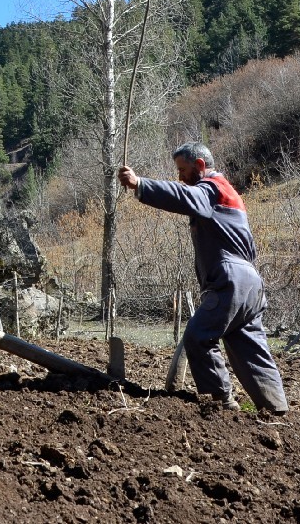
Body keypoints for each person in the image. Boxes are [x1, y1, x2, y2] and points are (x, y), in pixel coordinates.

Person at [118, 143, 288, 413]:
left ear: (199, 165)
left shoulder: (211, 189)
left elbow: (183, 196)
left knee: (198, 336)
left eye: (183, 170)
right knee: (251, 349)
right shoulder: (228, 192)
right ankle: (276, 408)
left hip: (230, 280)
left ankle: (221, 403)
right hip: (251, 284)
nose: (180, 176)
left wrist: (140, 185)